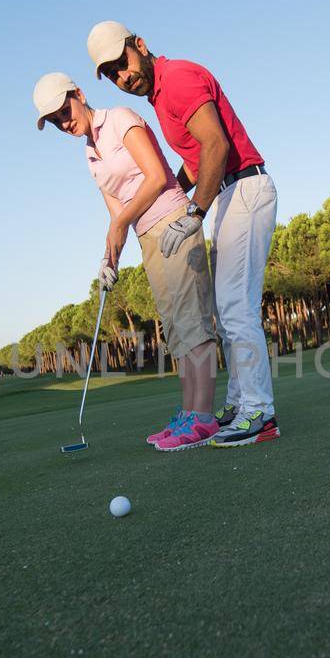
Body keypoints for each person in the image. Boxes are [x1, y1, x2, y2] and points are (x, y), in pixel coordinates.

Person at [86, 23, 280, 447]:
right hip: (229, 192)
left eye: (124, 63)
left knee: (235, 310)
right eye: (113, 74)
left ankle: (260, 414)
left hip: (243, 187)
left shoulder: (176, 79)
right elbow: (197, 160)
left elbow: (216, 145)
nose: (123, 76)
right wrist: (179, 190)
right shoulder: (160, 96)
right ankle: (240, 406)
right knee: (228, 312)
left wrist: (194, 211)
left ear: (141, 45)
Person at [33, 72, 220, 451]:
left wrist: (120, 223)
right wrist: (109, 258)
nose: (64, 123)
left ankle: (204, 418)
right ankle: (188, 413)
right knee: (174, 328)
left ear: (79, 94)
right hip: (147, 236)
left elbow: (155, 176)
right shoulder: (90, 154)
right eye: (55, 122)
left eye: (64, 111)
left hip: (173, 222)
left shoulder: (119, 118)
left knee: (192, 321)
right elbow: (116, 213)